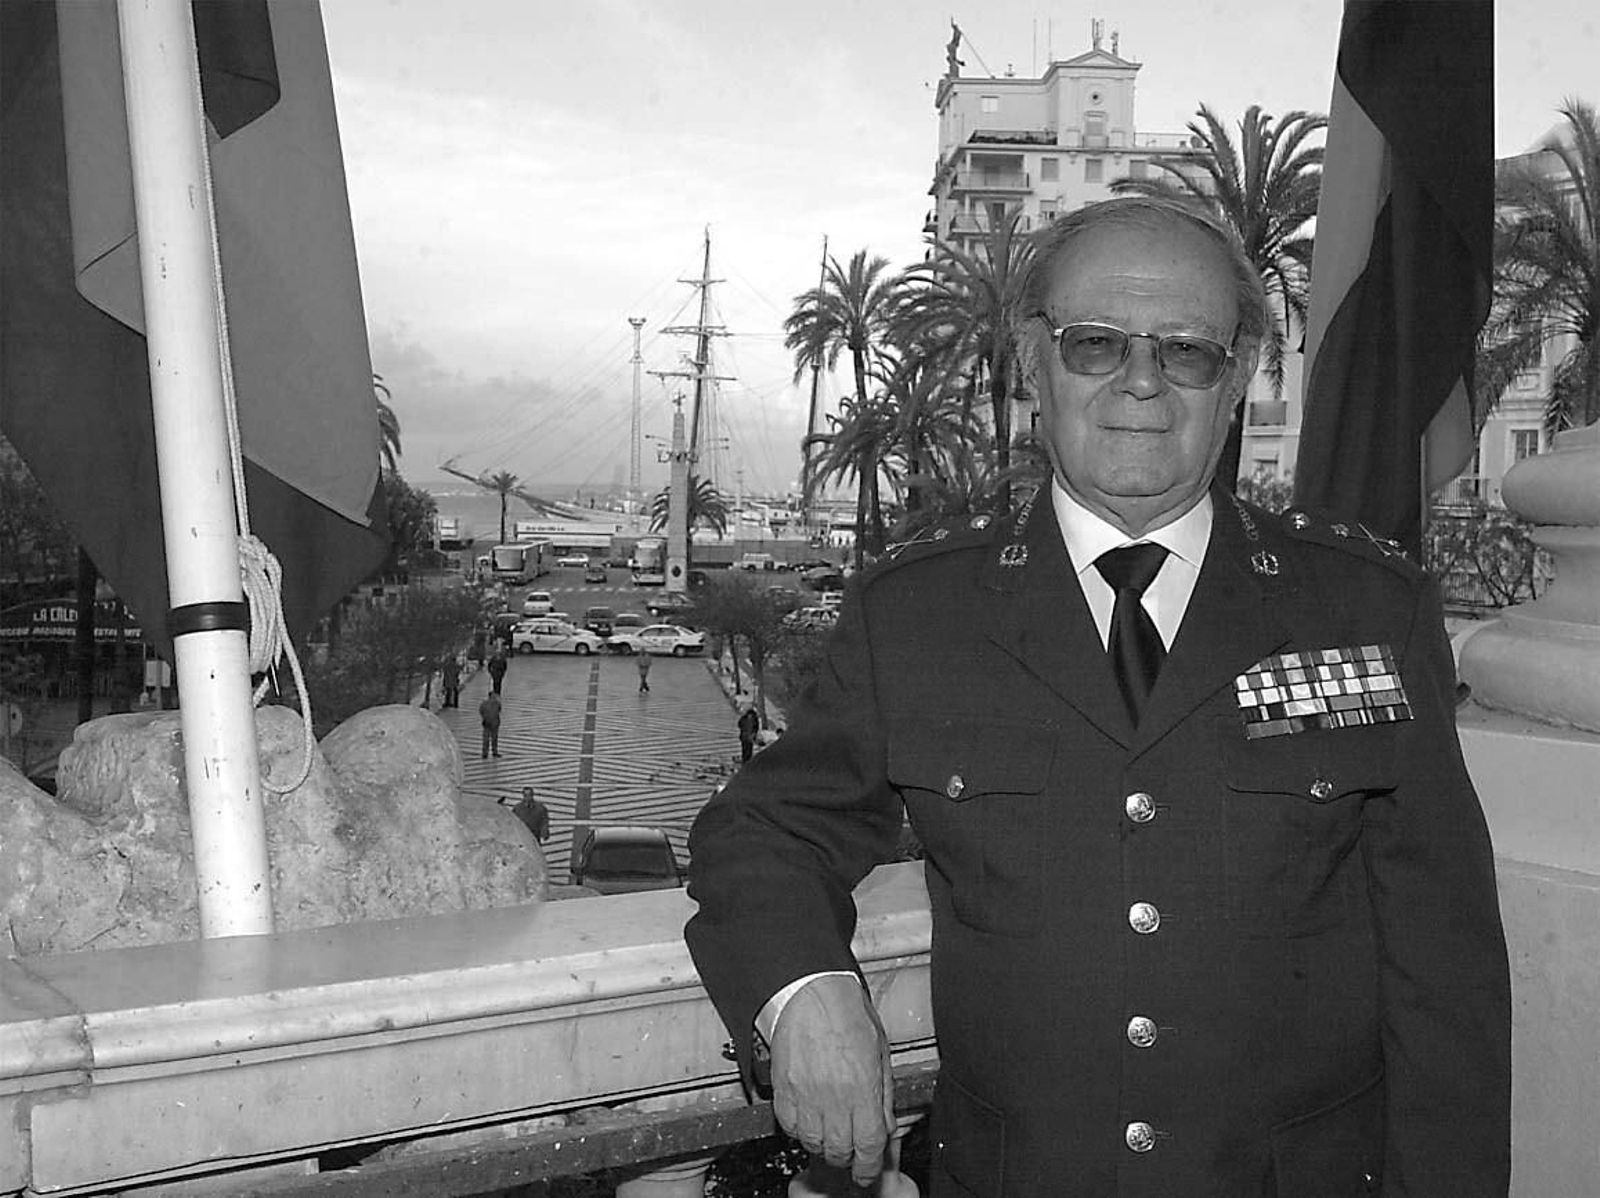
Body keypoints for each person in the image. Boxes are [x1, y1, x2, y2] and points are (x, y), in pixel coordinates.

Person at [684, 195, 1511, 1196]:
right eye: (1094, 344)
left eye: (1186, 350)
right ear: (1033, 363)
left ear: (1238, 373)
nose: (1141, 382)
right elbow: (764, 830)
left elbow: (1446, 974)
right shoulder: (918, 617)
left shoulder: (1362, 610)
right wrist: (805, 990)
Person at [477, 691, 502, 760]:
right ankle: (490, 752)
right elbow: (499, 710)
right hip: (491, 723)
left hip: (490, 723)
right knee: (490, 739)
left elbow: (481, 711)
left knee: (490, 739)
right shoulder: (494, 703)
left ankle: (489, 753)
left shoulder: (486, 703)